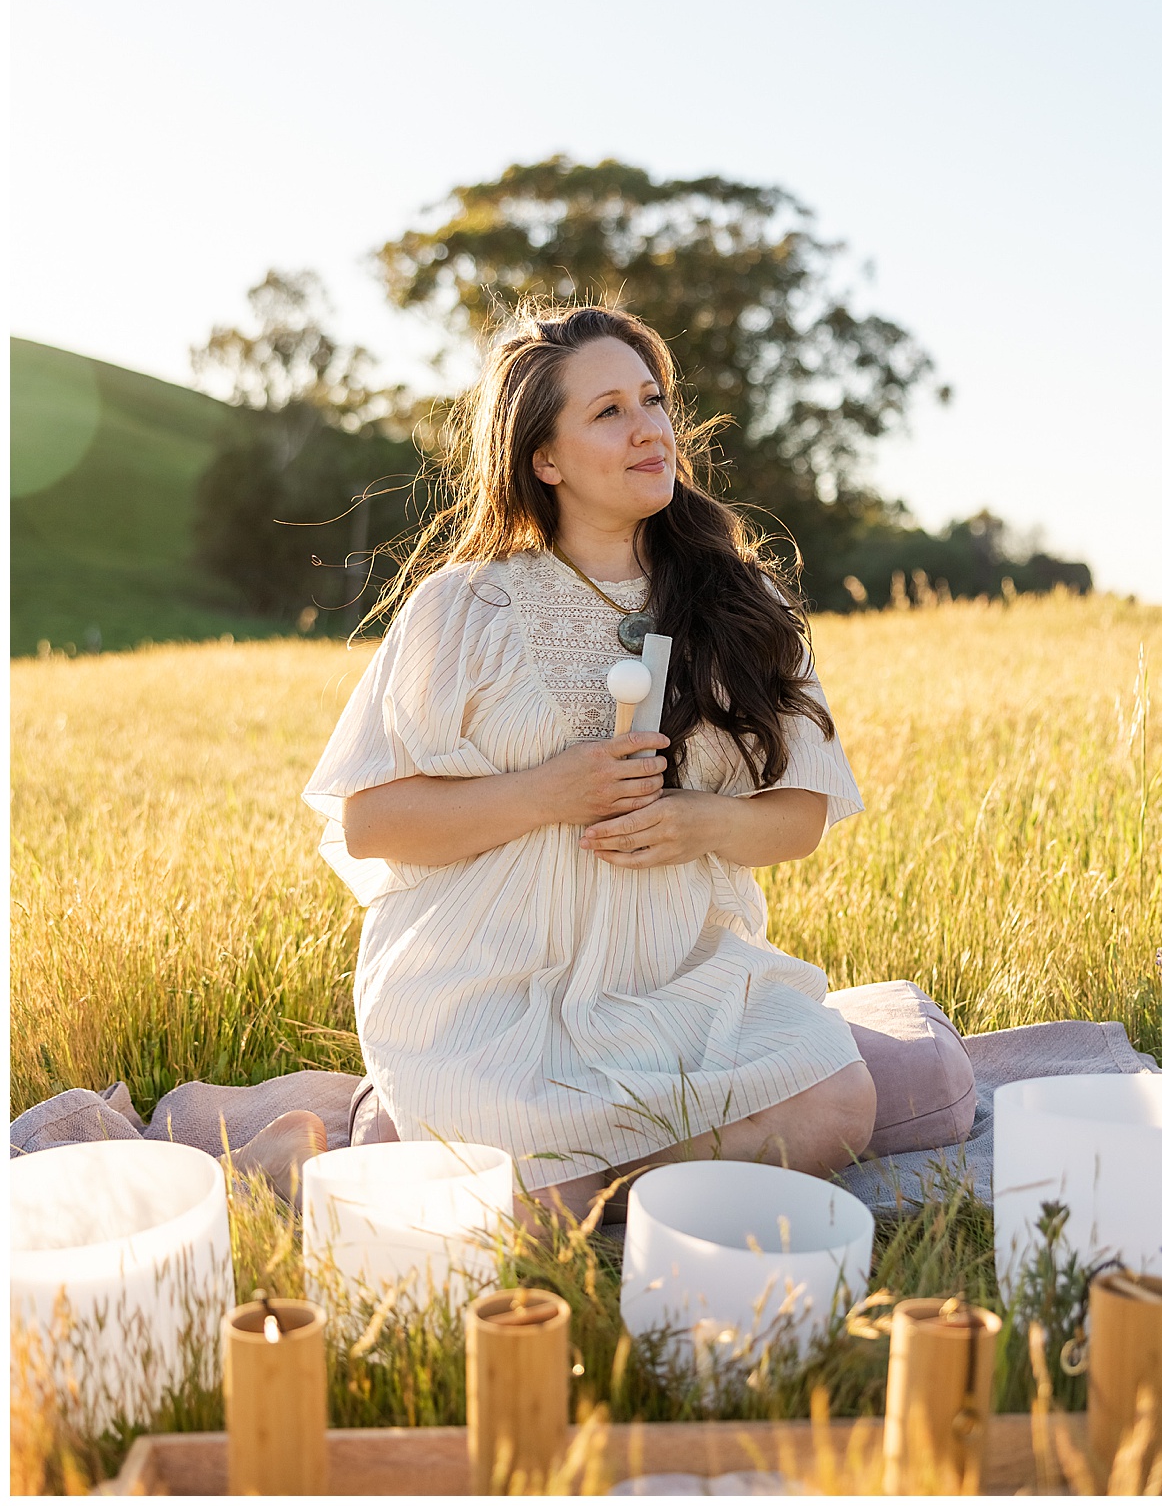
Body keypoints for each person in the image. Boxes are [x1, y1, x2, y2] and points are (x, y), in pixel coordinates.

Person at [302, 302, 876, 1222]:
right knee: (536, 1199)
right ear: (546, 458)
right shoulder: (465, 608)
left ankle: (550, 1180)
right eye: (608, 410)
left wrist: (704, 823)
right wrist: (545, 791)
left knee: (840, 1105)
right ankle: (544, 1169)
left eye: (652, 399)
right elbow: (372, 822)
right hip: (492, 992)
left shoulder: (743, 600)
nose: (649, 426)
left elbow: (801, 814)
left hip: (669, 977)